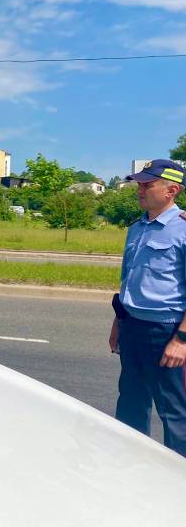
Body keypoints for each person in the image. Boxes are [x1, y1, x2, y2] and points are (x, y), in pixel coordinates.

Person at [110, 159, 186, 456]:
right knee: (130, 402)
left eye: (147, 184)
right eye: (139, 184)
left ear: (172, 190)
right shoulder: (137, 228)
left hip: (166, 331)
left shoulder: (182, 229)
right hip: (132, 327)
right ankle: (129, 466)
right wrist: (118, 322)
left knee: (174, 411)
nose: (139, 190)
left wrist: (181, 340)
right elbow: (128, 279)